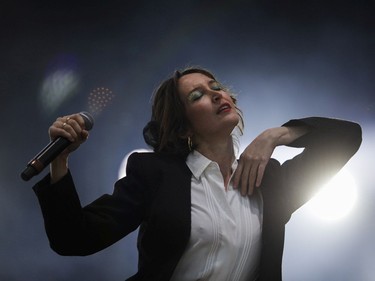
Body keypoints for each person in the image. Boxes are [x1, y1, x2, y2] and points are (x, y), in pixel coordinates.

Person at [32, 67, 362, 281]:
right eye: (197, 95)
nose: (217, 93)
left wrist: (276, 135)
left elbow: (347, 137)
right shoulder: (155, 174)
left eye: (215, 86)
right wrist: (60, 160)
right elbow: (73, 239)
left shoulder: (270, 180)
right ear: (183, 125)